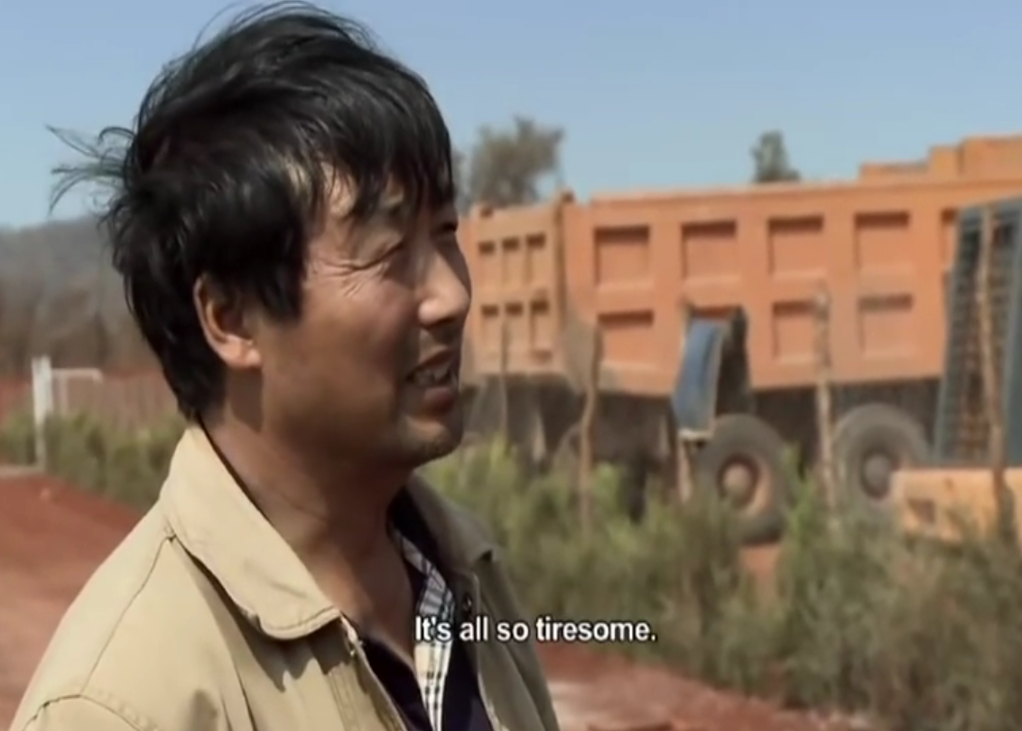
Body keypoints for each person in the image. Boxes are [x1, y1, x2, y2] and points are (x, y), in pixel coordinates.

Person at [9, 4, 561, 731]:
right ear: (231, 318)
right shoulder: (122, 706)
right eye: (390, 253)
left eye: (446, 233)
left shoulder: (464, 569)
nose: (453, 297)